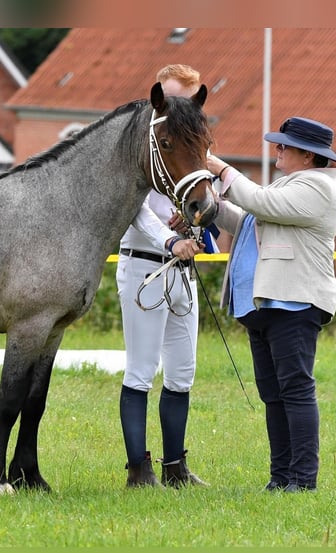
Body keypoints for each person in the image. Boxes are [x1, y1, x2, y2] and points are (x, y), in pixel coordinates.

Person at [206, 117, 336, 492]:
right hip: (265, 304)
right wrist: (210, 208)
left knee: (295, 391)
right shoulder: (290, 186)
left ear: (307, 155)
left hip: (294, 302)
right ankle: (281, 477)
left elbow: (260, 202)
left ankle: (303, 479)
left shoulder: (317, 187)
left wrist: (220, 168)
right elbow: (249, 219)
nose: (277, 149)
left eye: (284, 145)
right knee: (273, 395)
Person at [117, 64, 208, 489]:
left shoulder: (188, 141)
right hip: (143, 265)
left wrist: (197, 223)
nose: (179, 108)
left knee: (182, 372)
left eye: (187, 100)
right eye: (173, 98)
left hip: (182, 271)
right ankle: (139, 469)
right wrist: (169, 240)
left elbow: (205, 193)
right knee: (140, 370)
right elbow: (133, 209)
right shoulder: (137, 142)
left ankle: (176, 467)